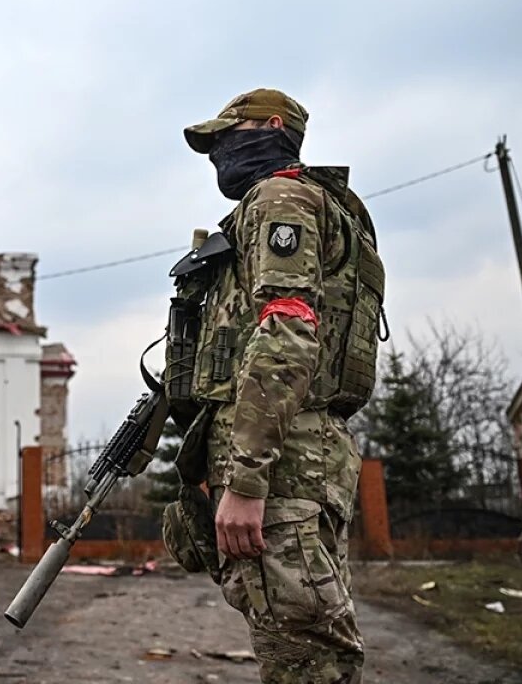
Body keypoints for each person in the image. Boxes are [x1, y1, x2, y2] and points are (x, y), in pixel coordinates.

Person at [171, 88, 386, 683]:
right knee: (309, 643)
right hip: (302, 457)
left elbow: (287, 329)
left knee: (305, 658)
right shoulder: (301, 203)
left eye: (227, 138)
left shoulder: (282, 197)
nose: (219, 155)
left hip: (283, 468)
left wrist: (245, 480)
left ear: (273, 127)